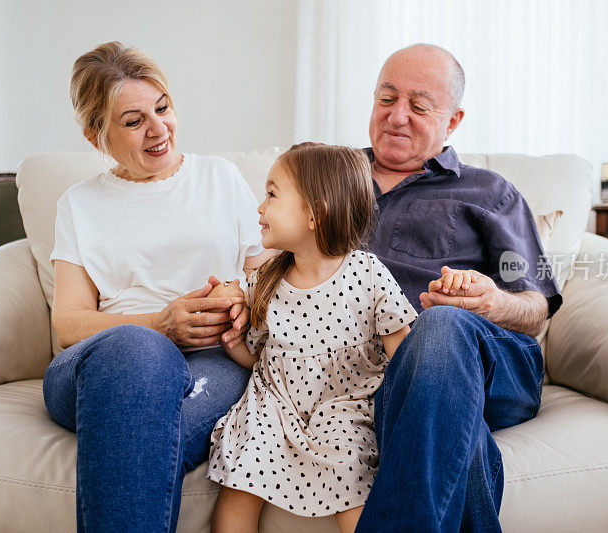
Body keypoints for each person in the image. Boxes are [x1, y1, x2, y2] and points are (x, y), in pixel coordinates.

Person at [41, 41, 271, 532]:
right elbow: (68, 324)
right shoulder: (79, 204)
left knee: (145, 436)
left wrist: (241, 301)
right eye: (132, 121)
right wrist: (160, 325)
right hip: (102, 364)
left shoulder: (220, 178)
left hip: (212, 360)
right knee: (138, 349)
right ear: (94, 135)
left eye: (162, 108)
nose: (157, 129)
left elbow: (267, 279)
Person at [355, 44, 563, 532]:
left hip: (489, 360)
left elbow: (536, 308)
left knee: (441, 324)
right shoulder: (329, 180)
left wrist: (491, 301)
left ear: (452, 121)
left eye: (419, 106)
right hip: (373, 371)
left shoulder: (490, 192)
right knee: (431, 401)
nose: (397, 116)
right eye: (386, 98)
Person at [206, 143, 418, 533]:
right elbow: (257, 358)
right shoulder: (266, 279)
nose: (259, 207)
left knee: (351, 468)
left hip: (344, 406)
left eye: (271, 194)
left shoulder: (368, 274)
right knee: (241, 476)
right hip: (275, 404)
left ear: (315, 213)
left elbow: (407, 359)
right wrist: (228, 333)